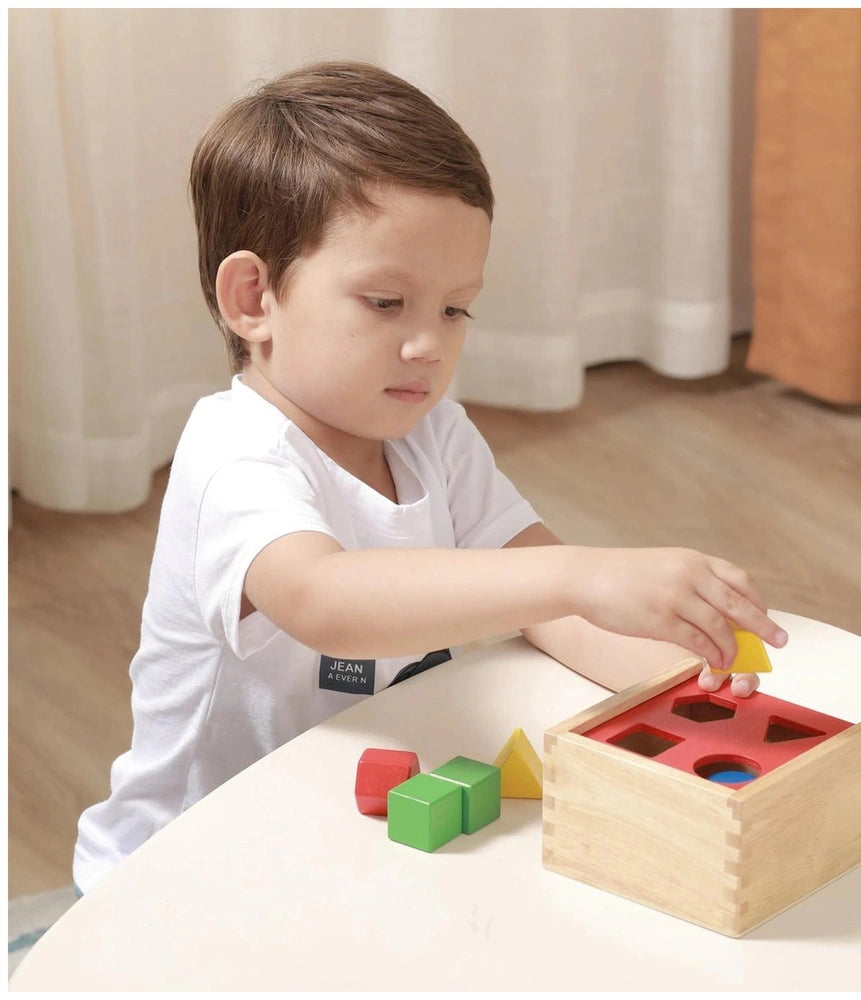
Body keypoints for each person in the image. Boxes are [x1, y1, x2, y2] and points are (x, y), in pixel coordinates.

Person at [73, 61, 787, 894]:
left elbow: (553, 607)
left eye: (455, 308)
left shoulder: (429, 431)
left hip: (348, 839)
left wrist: (688, 680)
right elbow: (325, 600)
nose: (429, 345)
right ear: (253, 298)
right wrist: (585, 571)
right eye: (386, 303)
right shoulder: (234, 453)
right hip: (183, 876)